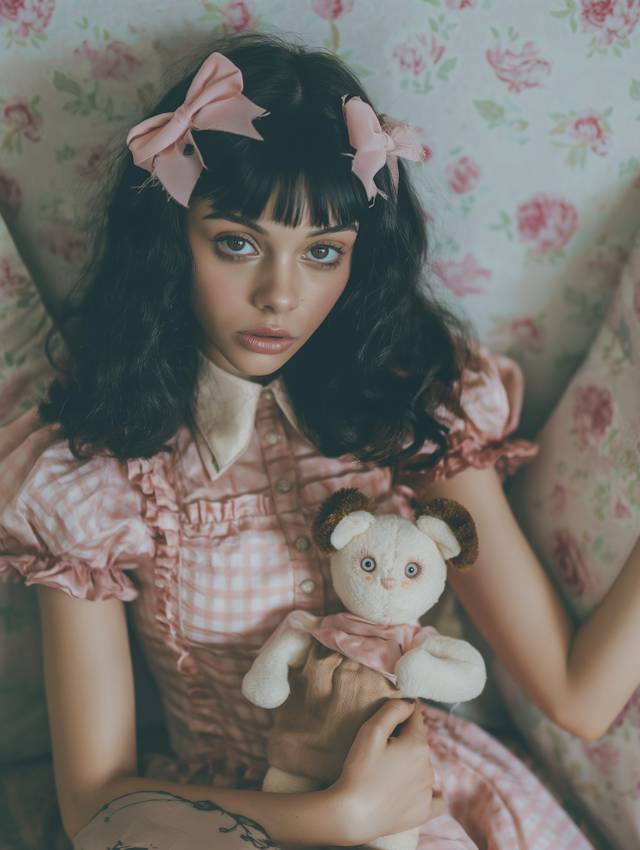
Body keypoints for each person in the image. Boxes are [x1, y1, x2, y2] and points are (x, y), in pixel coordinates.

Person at [2, 29, 639, 850]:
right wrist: (339, 817)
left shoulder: (414, 412)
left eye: (324, 253)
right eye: (237, 243)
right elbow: (93, 815)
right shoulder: (100, 467)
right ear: (172, 241)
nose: (280, 295)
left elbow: (579, 697)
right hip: (229, 826)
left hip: (437, 810)